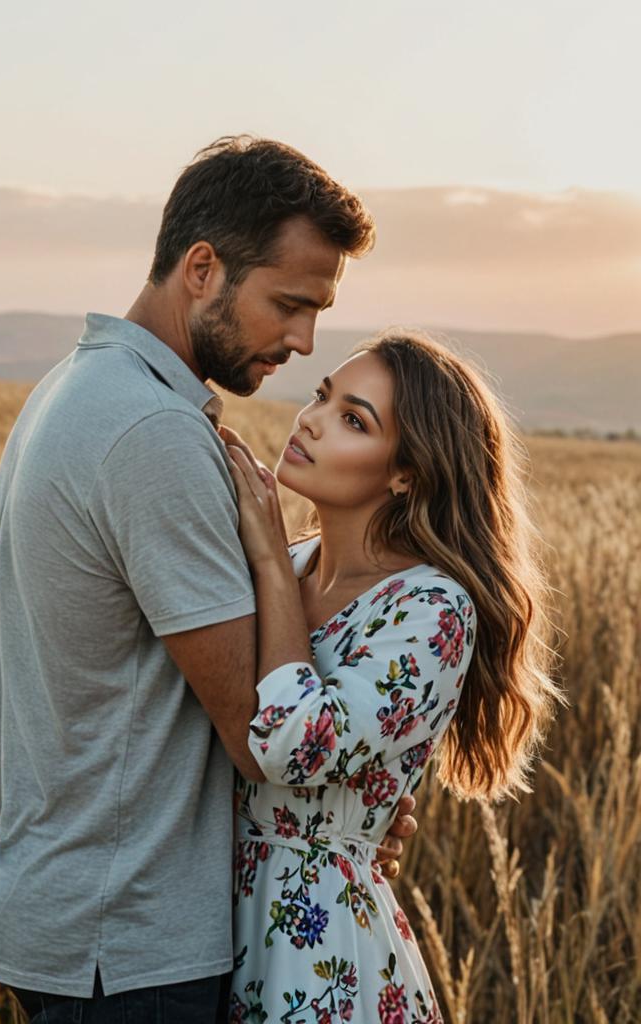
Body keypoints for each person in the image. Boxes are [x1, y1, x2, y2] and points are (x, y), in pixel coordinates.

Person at [0, 136, 418, 1023]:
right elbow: (263, 737)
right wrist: (350, 824)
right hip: (128, 942)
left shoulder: (78, 383)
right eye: (289, 304)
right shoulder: (153, 434)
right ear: (203, 268)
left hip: (77, 916)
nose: (303, 340)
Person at [224, 330, 561, 1022]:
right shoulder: (290, 566)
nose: (311, 421)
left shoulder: (433, 610)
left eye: (355, 419)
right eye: (322, 397)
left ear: (406, 472)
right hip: (209, 932)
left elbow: (295, 745)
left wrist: (263, 562)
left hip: (318, 962)